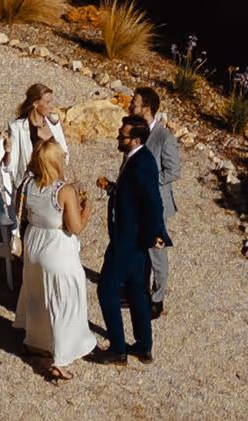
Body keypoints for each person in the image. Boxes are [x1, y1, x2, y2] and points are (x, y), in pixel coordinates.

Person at [91, 114, 171, 365]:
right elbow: (137, 197)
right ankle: (144, 345)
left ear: (135, 139)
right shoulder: (136, 159)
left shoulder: (141, 164)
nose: (118, 136)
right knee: (137, 291)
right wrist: (115, 189)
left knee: (106, 290)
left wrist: (156, 234)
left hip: (127, 240)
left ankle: (118, 348)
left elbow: (152, 202)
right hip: (134, 241)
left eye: (122, 135)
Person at [13, 139, 95, 381]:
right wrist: (86, 207)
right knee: (64, 302)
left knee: (37, 296)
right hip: (57, 249)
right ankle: (59, 358)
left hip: (34, 246)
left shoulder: (27, 183)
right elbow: (75, 227)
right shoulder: (64, 191)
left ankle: (34, 341)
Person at [129, 86, 179, 318]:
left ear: (146, 109)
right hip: (136, 202)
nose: (130, 106)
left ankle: (157, 298)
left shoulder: (164, 137)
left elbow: (173, 171)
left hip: (155, 204)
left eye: (135, 103)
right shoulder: (135, 130)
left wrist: (146, 180)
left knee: (157, 253)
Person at [0, 83, 70, 218]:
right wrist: (8, 152)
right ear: (35, 104)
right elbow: (10, 166)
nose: (51, 106)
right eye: (47, 102)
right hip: (32, 185)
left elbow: (65, 154)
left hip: (55, 183)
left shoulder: (54, 123)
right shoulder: (18, 128)